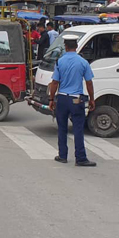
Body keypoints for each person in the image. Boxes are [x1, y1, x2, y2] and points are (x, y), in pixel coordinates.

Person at [47, 36, 96, 167]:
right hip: (76, 99)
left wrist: (52, 99)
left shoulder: (59, 62)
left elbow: (54, 82)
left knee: (62, 128)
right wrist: (92, 99)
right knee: (78, 129)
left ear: (65, 46)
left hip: (62, 98)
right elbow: (89, 83)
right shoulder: (83, 62)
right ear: (76, 47)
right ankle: (80, 157)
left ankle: (62, 155)